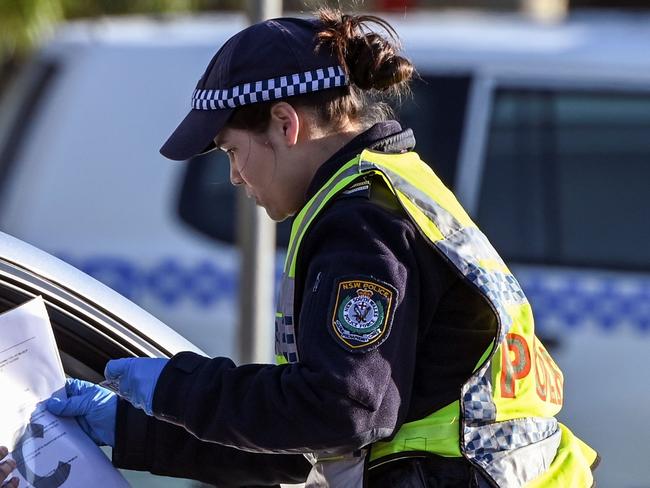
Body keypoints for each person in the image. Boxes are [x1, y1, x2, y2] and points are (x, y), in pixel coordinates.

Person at [0, 9, 599, 487]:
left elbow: (340, 412)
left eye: (233, 151)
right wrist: (134, 427)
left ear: (286, 124)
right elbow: (309, 443)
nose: (235, 177)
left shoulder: (361, 223)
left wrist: (172, 387)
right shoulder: (393, 188)